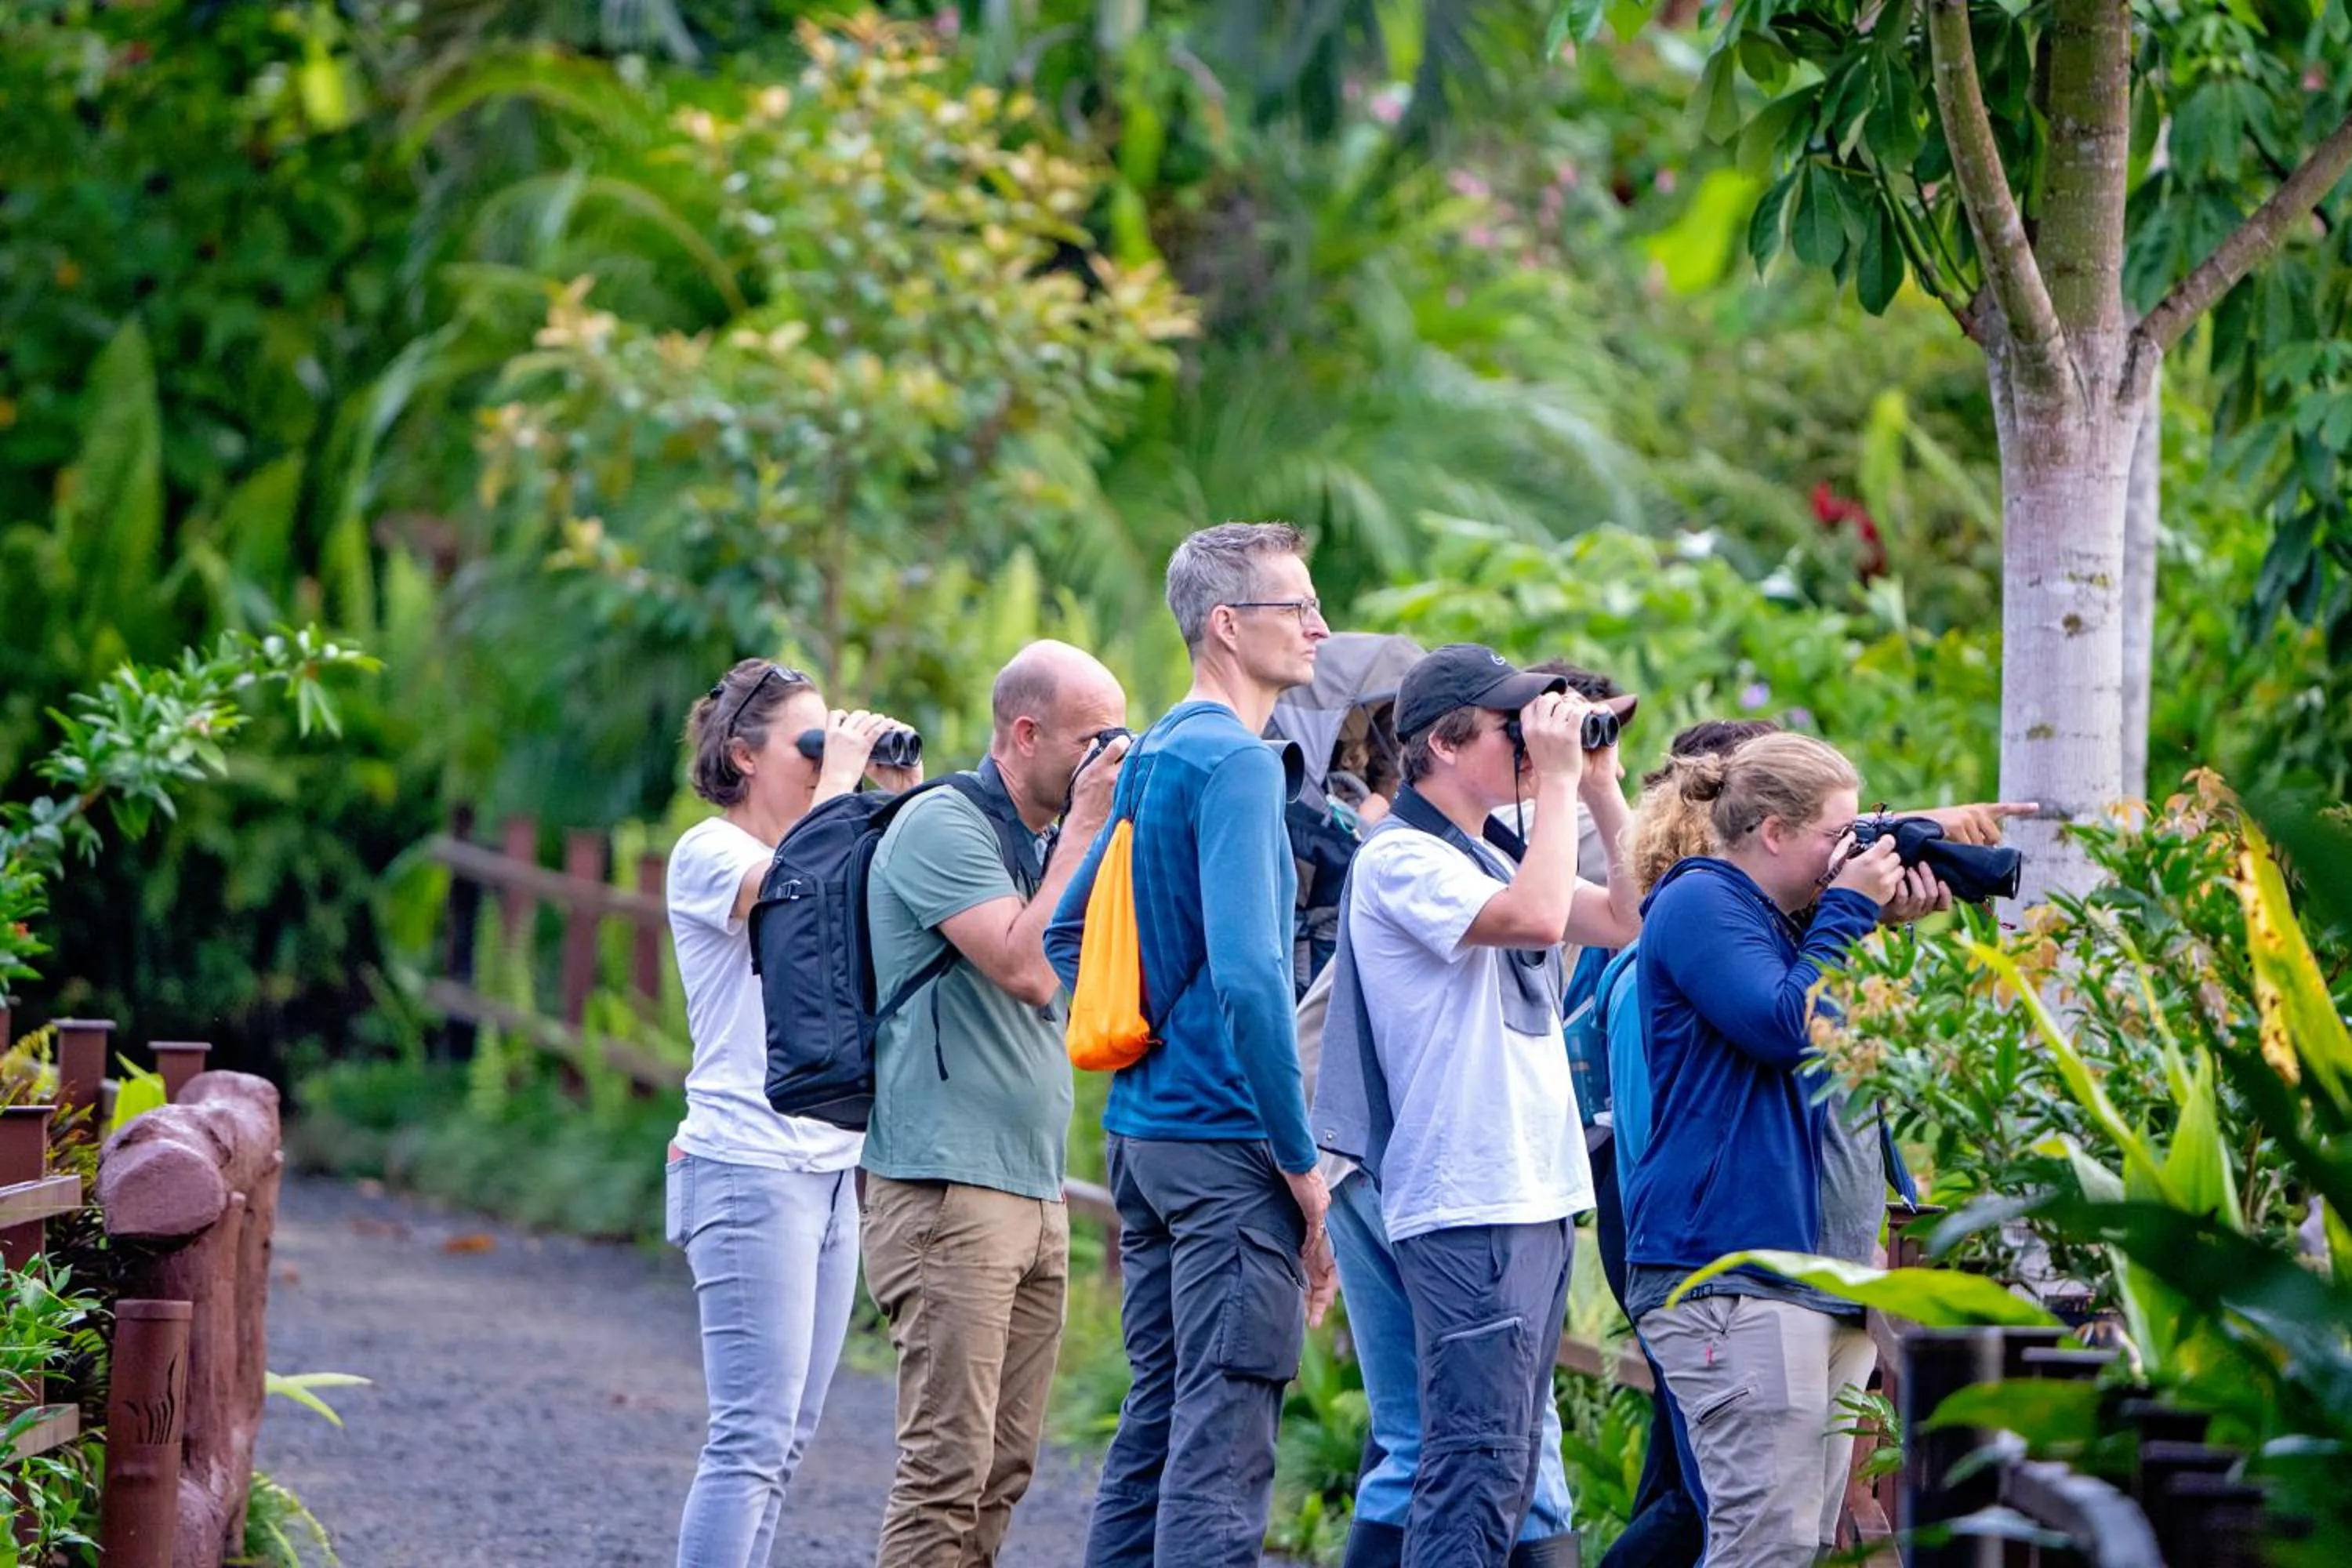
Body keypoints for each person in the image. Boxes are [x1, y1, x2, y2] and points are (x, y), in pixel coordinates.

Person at [1044, 522, 1340, 1568]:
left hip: (1147, 1140)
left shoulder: (1158, 749)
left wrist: (1153, 1036)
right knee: (1222, 1445)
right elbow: (1255, 980)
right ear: (1227, 624)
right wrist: (1301, 1165)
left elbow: (1068, 932)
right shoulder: (1242, 766)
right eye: (1297, 607)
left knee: (1159, 1419)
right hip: (1226, 1150)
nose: (1320, 627)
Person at [1312, 648, 1640, 1568]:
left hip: (1530, 1194)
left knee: (1507, 1463)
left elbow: (1631, 918)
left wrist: (1601, 786)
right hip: (1467, 1201)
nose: (1532, 745)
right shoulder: (1402, 857)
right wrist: (1560, 781)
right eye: (1512, 728)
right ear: (1447, 744)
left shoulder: (1486, 852)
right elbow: (1537, 918)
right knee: (1474, 1467)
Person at [861, 641, 1132, 1568]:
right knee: (946, 1471)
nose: (1107, 758)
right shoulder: (940, 823)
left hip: (1032, 1187)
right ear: (1025, 733)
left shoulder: (1049, 842)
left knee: (1005, 1467)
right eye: (1093, 739)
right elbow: (1025, 965)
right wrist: (1088, 825)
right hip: (948, 1189)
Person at [1619, 732, 1910, 1568]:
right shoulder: (1699, 900)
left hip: (1824, 1276)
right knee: (1765, 1543)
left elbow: (1852, 1052)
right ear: (1774, 832)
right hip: (1736, 1278)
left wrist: (1877, 919)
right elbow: (1787, 1026)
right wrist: (1849, 909)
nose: (1849, 855)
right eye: (1838, 835)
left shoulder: (1792, 925)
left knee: (1804, 1545)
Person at [664, 660, 920, 1568]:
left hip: (829, 1164)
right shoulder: (710, 853)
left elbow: (901, 900)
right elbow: (797, 894)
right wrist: (841, 784)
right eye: (807, 744)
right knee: (749, 1438)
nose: (822, 759)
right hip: (745, 1163)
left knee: (786, 1442)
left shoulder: (824, 834)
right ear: (743, 754)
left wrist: (899, 798)